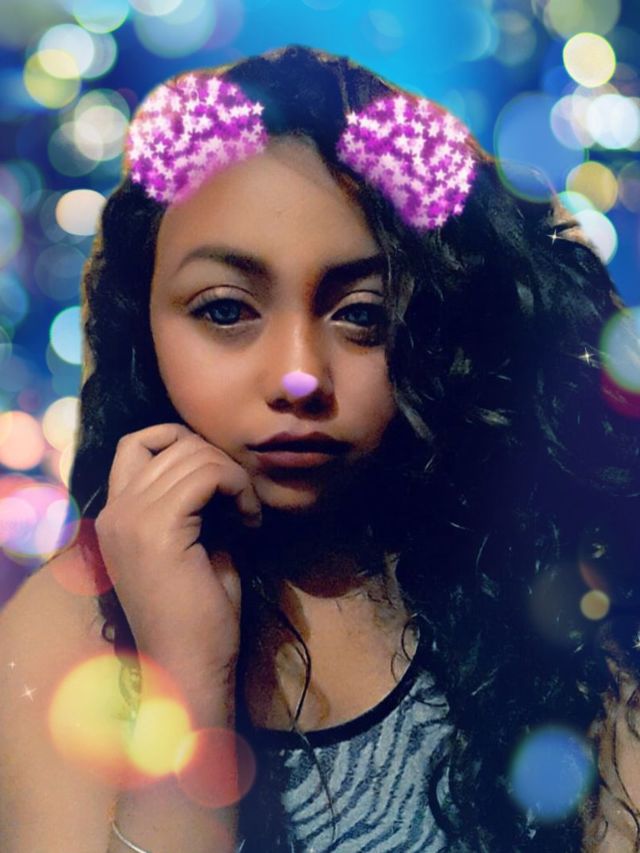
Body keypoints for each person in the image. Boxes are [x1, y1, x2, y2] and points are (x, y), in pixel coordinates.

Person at [1, 43, 639, 852]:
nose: (300, 376)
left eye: (362, 314)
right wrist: (182, 680)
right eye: (226, 309)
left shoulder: (550, 573)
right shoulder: (62, 634)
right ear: (143, 325)